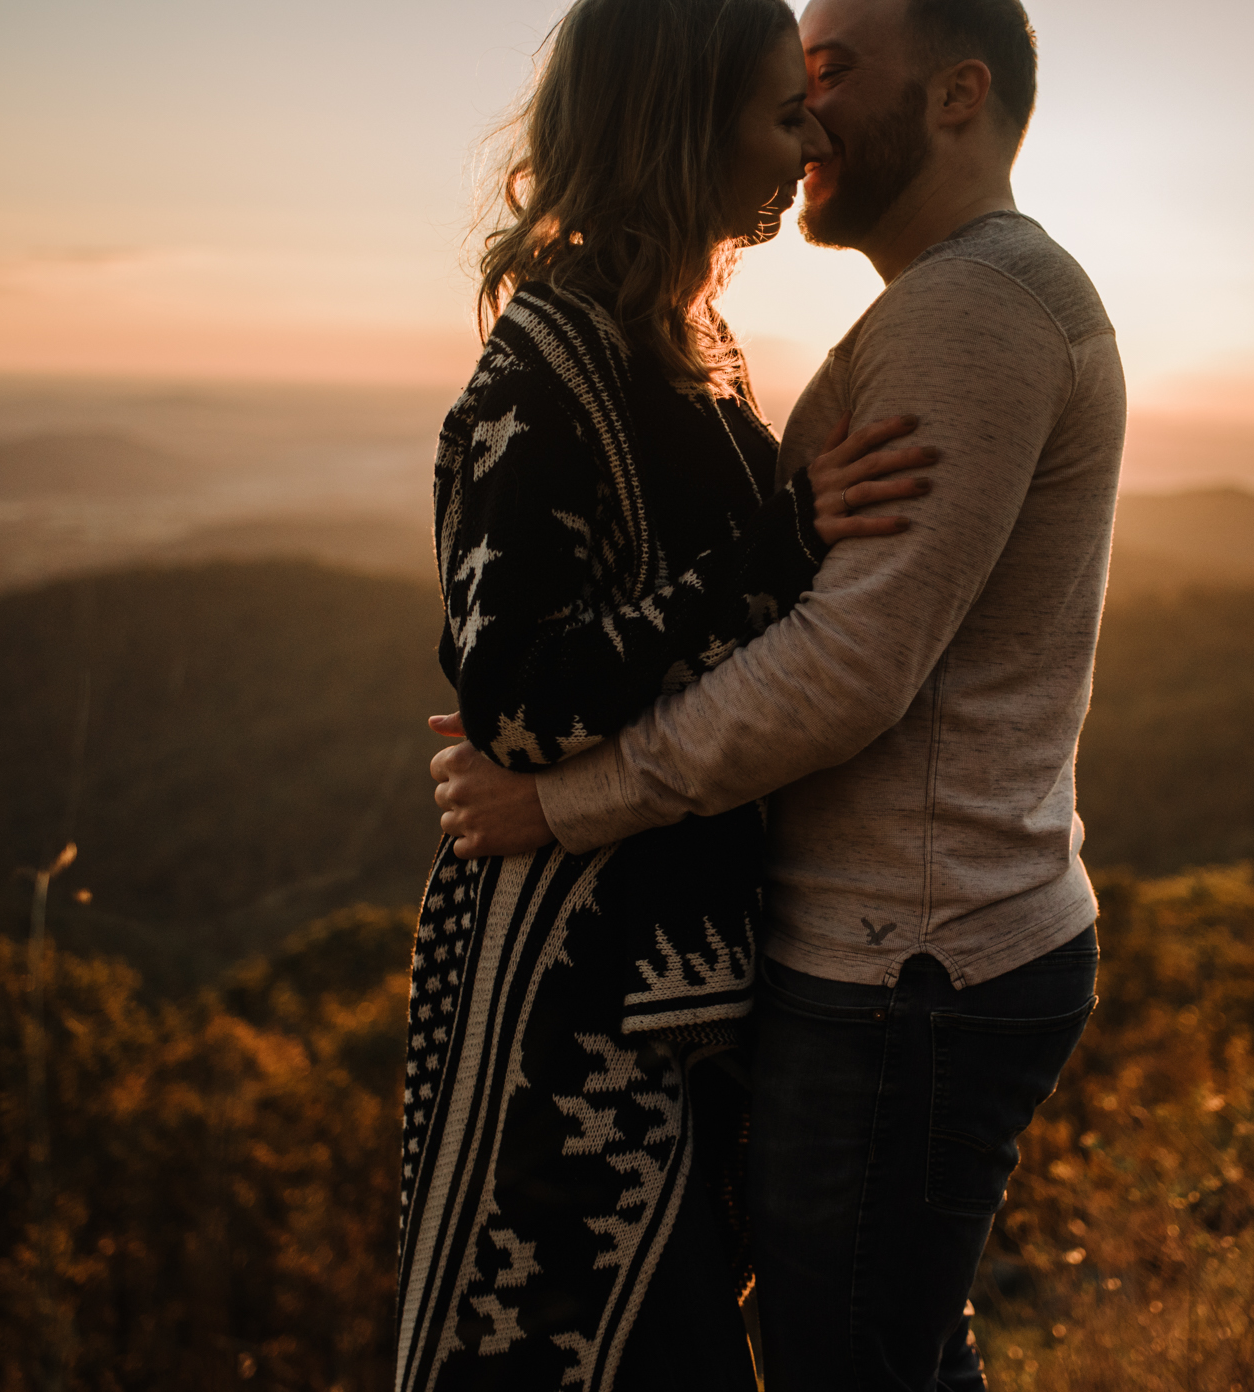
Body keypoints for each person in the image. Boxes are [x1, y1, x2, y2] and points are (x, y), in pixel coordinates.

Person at [431, 0, 1127, 1386]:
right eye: (786, 91)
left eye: (833, 75)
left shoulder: (973, 311)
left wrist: (565, 802)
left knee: (847, 1363)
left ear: (955, 95)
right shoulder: (935, 305)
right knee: (890, 1350)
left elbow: (839, 669)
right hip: (901, 942)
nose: (808, 118)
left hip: (906, 956)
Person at [394, 2, 935, 1388]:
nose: (807, 134)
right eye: (775, 111)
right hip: (562, 1011)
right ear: (675, 131)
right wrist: (781, 540)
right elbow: (516, 699)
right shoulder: (542, 376)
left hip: (660, 988)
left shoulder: (683, 341)